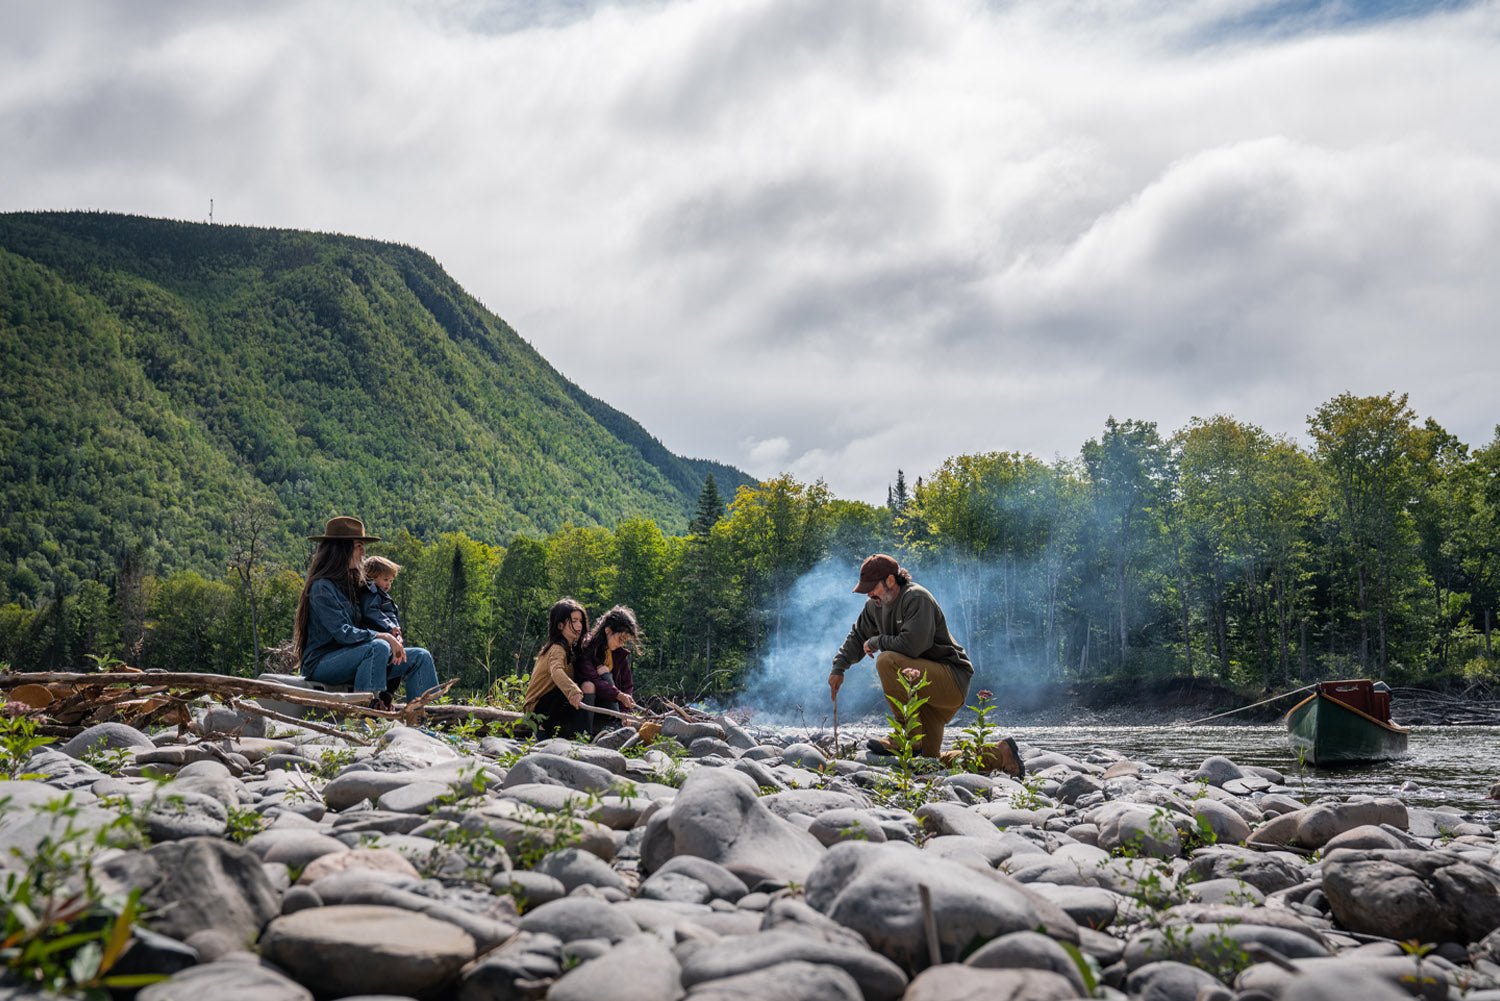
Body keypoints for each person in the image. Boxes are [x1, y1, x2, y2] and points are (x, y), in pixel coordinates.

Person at [829, 553, 976, 759]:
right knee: (928, 761)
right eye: (866, 589)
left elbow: (912, 645)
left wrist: (876, 641)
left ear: (890, 580)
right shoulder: (874, 605)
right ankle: (999, 755)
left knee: (886, 660)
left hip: (950, 680)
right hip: (920, 692)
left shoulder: (916, 598)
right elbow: (858, 635)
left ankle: (907, 735)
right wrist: (839, 667)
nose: (869, 594)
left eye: (872, 587)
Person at [292, 516, 439, 709]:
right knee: (377, 647)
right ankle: (367, 712)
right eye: (359, 546)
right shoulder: (322, 588)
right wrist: (384, 637)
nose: (364, 552)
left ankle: (423, 716)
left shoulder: (355, 585)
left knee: (420, 656)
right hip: (323, 662)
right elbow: (343, 633)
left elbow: (377, 610)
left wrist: (394, 633)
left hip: (357, 655)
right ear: (342, 549)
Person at [522, 598, 589, 737]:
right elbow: (556, 671)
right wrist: (573, 691)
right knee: (567, 691)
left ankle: (579, 734)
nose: (579, 625)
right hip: (537, 709)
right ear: (560, 625)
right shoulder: (557, 648)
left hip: (550, 707)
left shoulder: (570, 649)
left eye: (580, 621)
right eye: (574, 621)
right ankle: (543, 730)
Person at [576, 606, 639, 733]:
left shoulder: (619, 654)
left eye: (624, 641)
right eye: (619, 639)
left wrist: (625, 711)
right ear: (608, 631)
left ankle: (617, 721)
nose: (621, 644)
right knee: (591, 683)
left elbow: (627, 685)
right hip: (587, 703)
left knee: (604, 671)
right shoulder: (588, 647)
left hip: (611, 705)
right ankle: (584, 734)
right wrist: (619, 695)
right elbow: (593, 679)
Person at [360, 555, 404, 639]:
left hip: (390, 633)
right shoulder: (371, 594)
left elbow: (391, 614)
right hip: (378, 635)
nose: (389, 584)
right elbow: (372, 612)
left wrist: (396, 629)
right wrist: (390, 626)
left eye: (391, 581)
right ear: (372, 577)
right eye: (386, 580)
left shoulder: (382, 595)